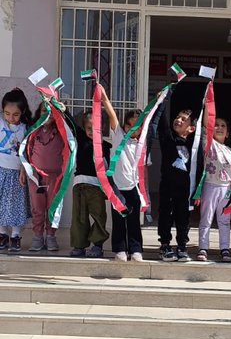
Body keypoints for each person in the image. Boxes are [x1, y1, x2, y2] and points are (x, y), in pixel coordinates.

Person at [101, 87, 144, 262]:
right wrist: (103, 96)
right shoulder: (118, 136)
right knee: (119, 220)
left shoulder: (142, 143)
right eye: (129, 124)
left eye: (137, 125)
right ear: (125, 126)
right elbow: (111, 115)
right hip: (117, 188)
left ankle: (136, 250)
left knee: (134, 221)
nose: (132, 128)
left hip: (134, 187)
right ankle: (119, 249)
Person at [196, 101, 231, 263]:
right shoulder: (209, 144)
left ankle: (224, 249)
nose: (219, 127)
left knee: (224, 221)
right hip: (210, 186)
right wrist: (207, 107)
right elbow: (206, 126)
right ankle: (203, 248)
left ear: (227, 133)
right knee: (206, 218)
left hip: (226, 189)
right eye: (216, 125)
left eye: (223, 126)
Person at [157, 107, 195, 261]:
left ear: (191, 128)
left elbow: (206, 127)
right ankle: (165, 245)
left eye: (183, 119)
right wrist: (162, 103)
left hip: (184, 189)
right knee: (165, 216)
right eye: (177, 117)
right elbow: (163, 125)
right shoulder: (168, 139)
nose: (178, 120)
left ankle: (182, 246)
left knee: (183, 218)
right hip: (167, 186)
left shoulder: (194, 144)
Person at [70, 111, 110, 258]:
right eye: (89, 129)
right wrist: (64, 110)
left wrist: (108, 187)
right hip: (80, 184)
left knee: (99, 216)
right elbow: (71, 124)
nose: (92, 132)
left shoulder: (105, 146)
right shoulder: (81, 138)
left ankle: (97, 245)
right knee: (79, 217)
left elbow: (107, 168)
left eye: (96, 129)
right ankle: (79, 246)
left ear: (103, 127)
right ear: (84, 128)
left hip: (97, 186)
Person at [27, 102, 65, 252]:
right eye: (44, 110)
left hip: (55, 177)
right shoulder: (33, 131)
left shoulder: (61, 131)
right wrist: (24, 172)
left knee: (53, 207)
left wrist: (63, 111)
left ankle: (50, 236)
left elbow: (71, 132)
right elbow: (25, 153)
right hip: (36, 177)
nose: (48, 114)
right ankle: (37, 237)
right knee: (37, 208)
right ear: (38, 112)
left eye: (52, 111)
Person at [0, 88, 31, 254]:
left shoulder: (26, 129)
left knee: (15, 205)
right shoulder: (0, 124)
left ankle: (16, 235)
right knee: (1, 205)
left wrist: (23, 170)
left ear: (23, 112)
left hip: (16, 173)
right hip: (0, 170)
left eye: (15, 114)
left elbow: (26, 153)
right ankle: (2, 234)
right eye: (7, 113)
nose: (11, 118)